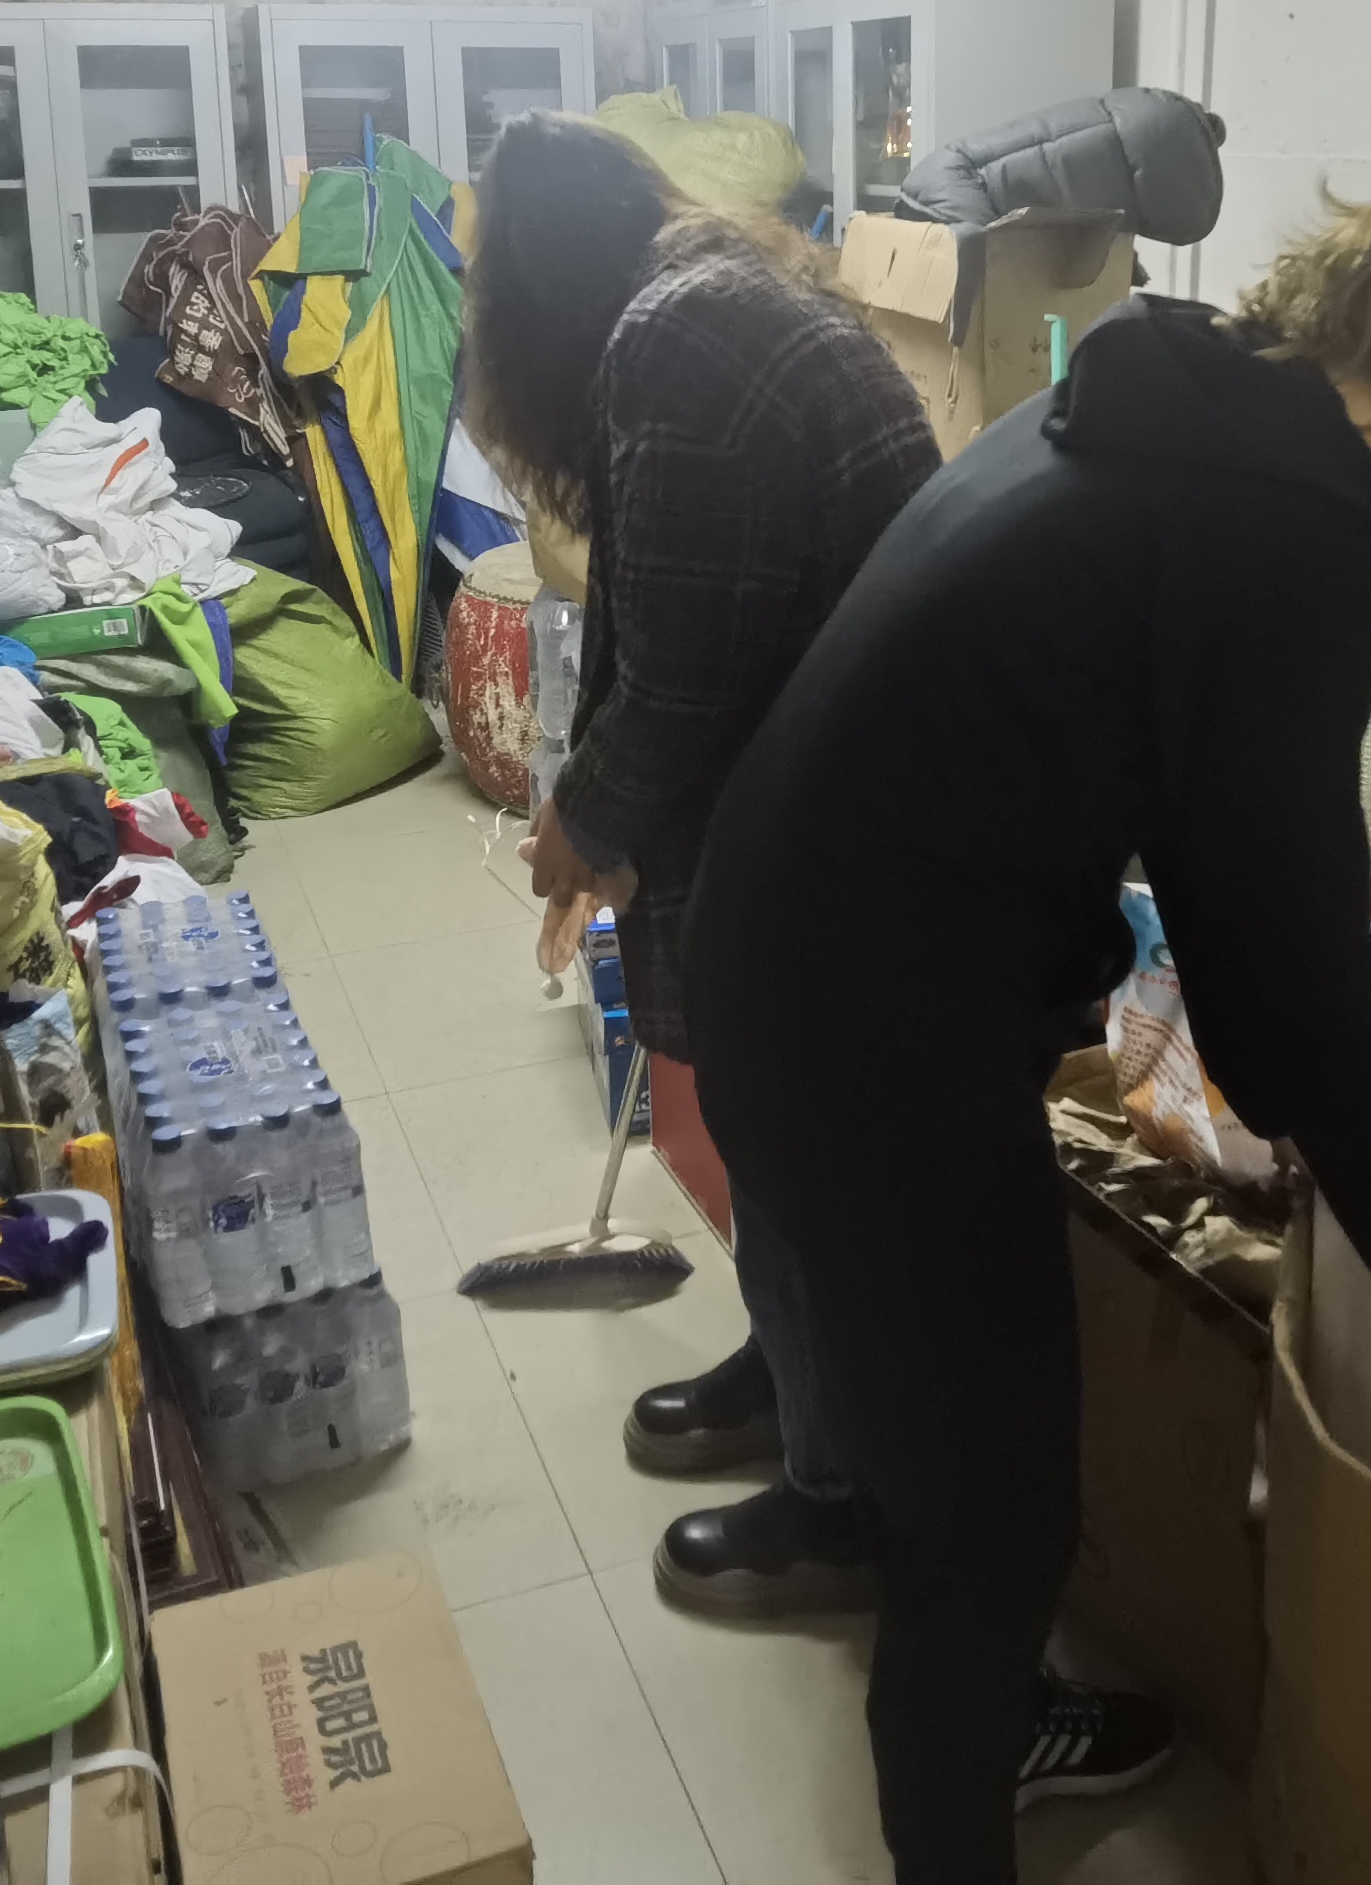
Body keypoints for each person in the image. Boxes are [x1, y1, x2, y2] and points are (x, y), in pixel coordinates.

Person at [685, 189, 1371, 1875]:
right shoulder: (1273, 522)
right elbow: (1290, 998)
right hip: (871, 1048)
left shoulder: (1167, 395)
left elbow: (1146, 791)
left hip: (788, 969)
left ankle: (963, 1687)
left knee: (945, 1455)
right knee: (995, 1526)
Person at [461, 110, 942, 1615]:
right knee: (765, 1120)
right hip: (825, 778)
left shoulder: (682, 342)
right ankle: (793, 1373)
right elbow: (670, 622)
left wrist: (585, 822)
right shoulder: (697, 301)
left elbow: (683, 673)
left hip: (847, 817)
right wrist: (595, 810)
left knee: (793, 1136)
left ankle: (839, 1499)